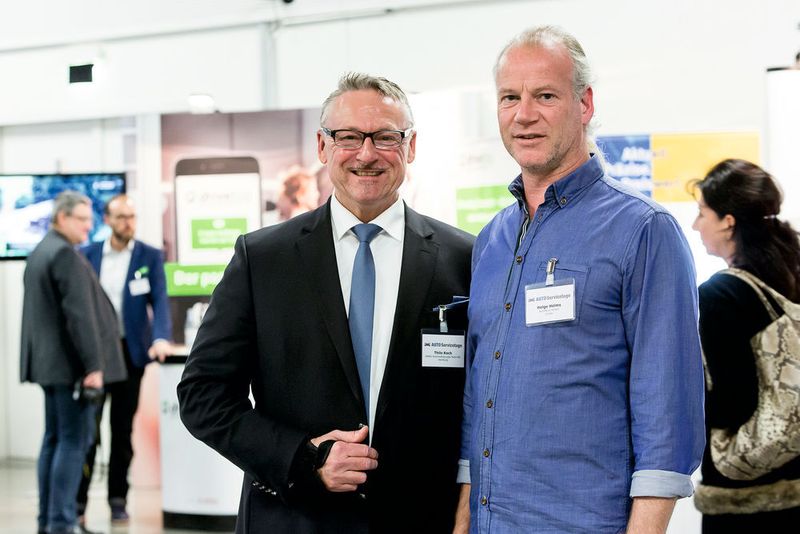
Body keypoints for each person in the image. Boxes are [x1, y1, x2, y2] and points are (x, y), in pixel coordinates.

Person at [178, 72, 474, 533]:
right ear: (322, 147)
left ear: (411, 147)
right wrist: (303, 459)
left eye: (386, 137)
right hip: (295, 518)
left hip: (421, 519)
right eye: (349, 137)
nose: (367, 153)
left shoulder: (465, 258)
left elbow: (483, 402)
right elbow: (203, 396)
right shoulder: (263, 259)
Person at [455, 26, 705, 533]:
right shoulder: (491, 240)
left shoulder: (643, 230)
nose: (524, 114)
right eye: (510, 97)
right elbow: (477, 395)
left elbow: (668, 407)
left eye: (545, 95)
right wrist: (463, 519)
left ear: (584, 104)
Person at [690, 159, 800, 532]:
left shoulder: (721, 295)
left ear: (728, 221)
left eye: (702, 213)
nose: (695, 225)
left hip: (744, 497)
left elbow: (730, 402)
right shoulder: (791, 276)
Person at [21, 191, 126, 534]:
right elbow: (79, 318)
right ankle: (62, 523)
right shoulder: (65, 255)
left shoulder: (41, 252)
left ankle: (49, 521)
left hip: (50, 367)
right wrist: (94, 366)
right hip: (72, 370)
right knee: (72, 442)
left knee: (54, 439)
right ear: (61, 218)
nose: (88, 225)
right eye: (82, 219)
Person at [76, 194, 173, 523]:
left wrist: (160, 337)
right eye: (121, 217)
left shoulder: (149, 255)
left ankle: (118, 499)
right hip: (94, 357)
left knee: (121, 431)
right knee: (88, 433)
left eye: (132, 216)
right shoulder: (87, 255)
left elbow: (160, 300)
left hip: (130, 356)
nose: (127, 223)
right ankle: (78, 504)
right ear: (107, 219)